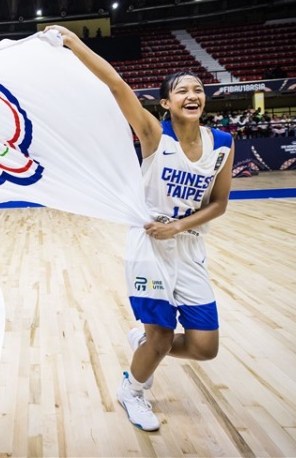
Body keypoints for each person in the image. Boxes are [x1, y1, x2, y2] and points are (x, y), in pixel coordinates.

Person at [48, 25, 235, 432]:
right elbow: (116, 85)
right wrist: (74, 42)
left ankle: (143, 344)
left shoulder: (222, 142)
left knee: (205, 348)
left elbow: (219, 203)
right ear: (166, 102)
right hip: (149, 248)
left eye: (198, 89)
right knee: (162, 338)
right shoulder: (153, 134)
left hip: (188, 248)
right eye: (182, 91)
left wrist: (180, 226)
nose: (193, 95)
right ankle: (132, 391)